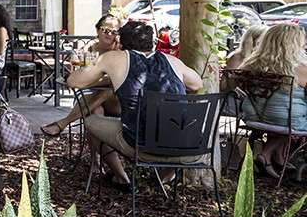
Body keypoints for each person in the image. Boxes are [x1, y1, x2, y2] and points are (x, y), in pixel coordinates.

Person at [67, 21, 203, 189]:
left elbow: (74, 81)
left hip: (140, 145)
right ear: (151, 42)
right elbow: (197, 84)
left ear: (121, 42)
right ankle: (162, 178)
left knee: (91, 119)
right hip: (187, 145)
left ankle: (122, 177)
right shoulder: (171, 60)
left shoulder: (114, 57)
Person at [234, 23, 307, 179]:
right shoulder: (300, 69)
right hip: (287, 120)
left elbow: (232, 84)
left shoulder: (250, 64)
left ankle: (276, 159)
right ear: (293, 43)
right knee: (292, 117)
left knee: (280, 113)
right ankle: (266, 155)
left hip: (253, 116)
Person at [41, 14, 123, 136]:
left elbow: (113, 81)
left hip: (114, 101)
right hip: (88, 95)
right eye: (106, 30)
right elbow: (75, 79)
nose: (109, 34)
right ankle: (97, 155)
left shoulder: (121, 52)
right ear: (97, 30)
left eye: (114, 31)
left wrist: (93, 81)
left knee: (108, 92)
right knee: (95, 112)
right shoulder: (86, 50)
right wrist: (103, 80)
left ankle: (64, 122)